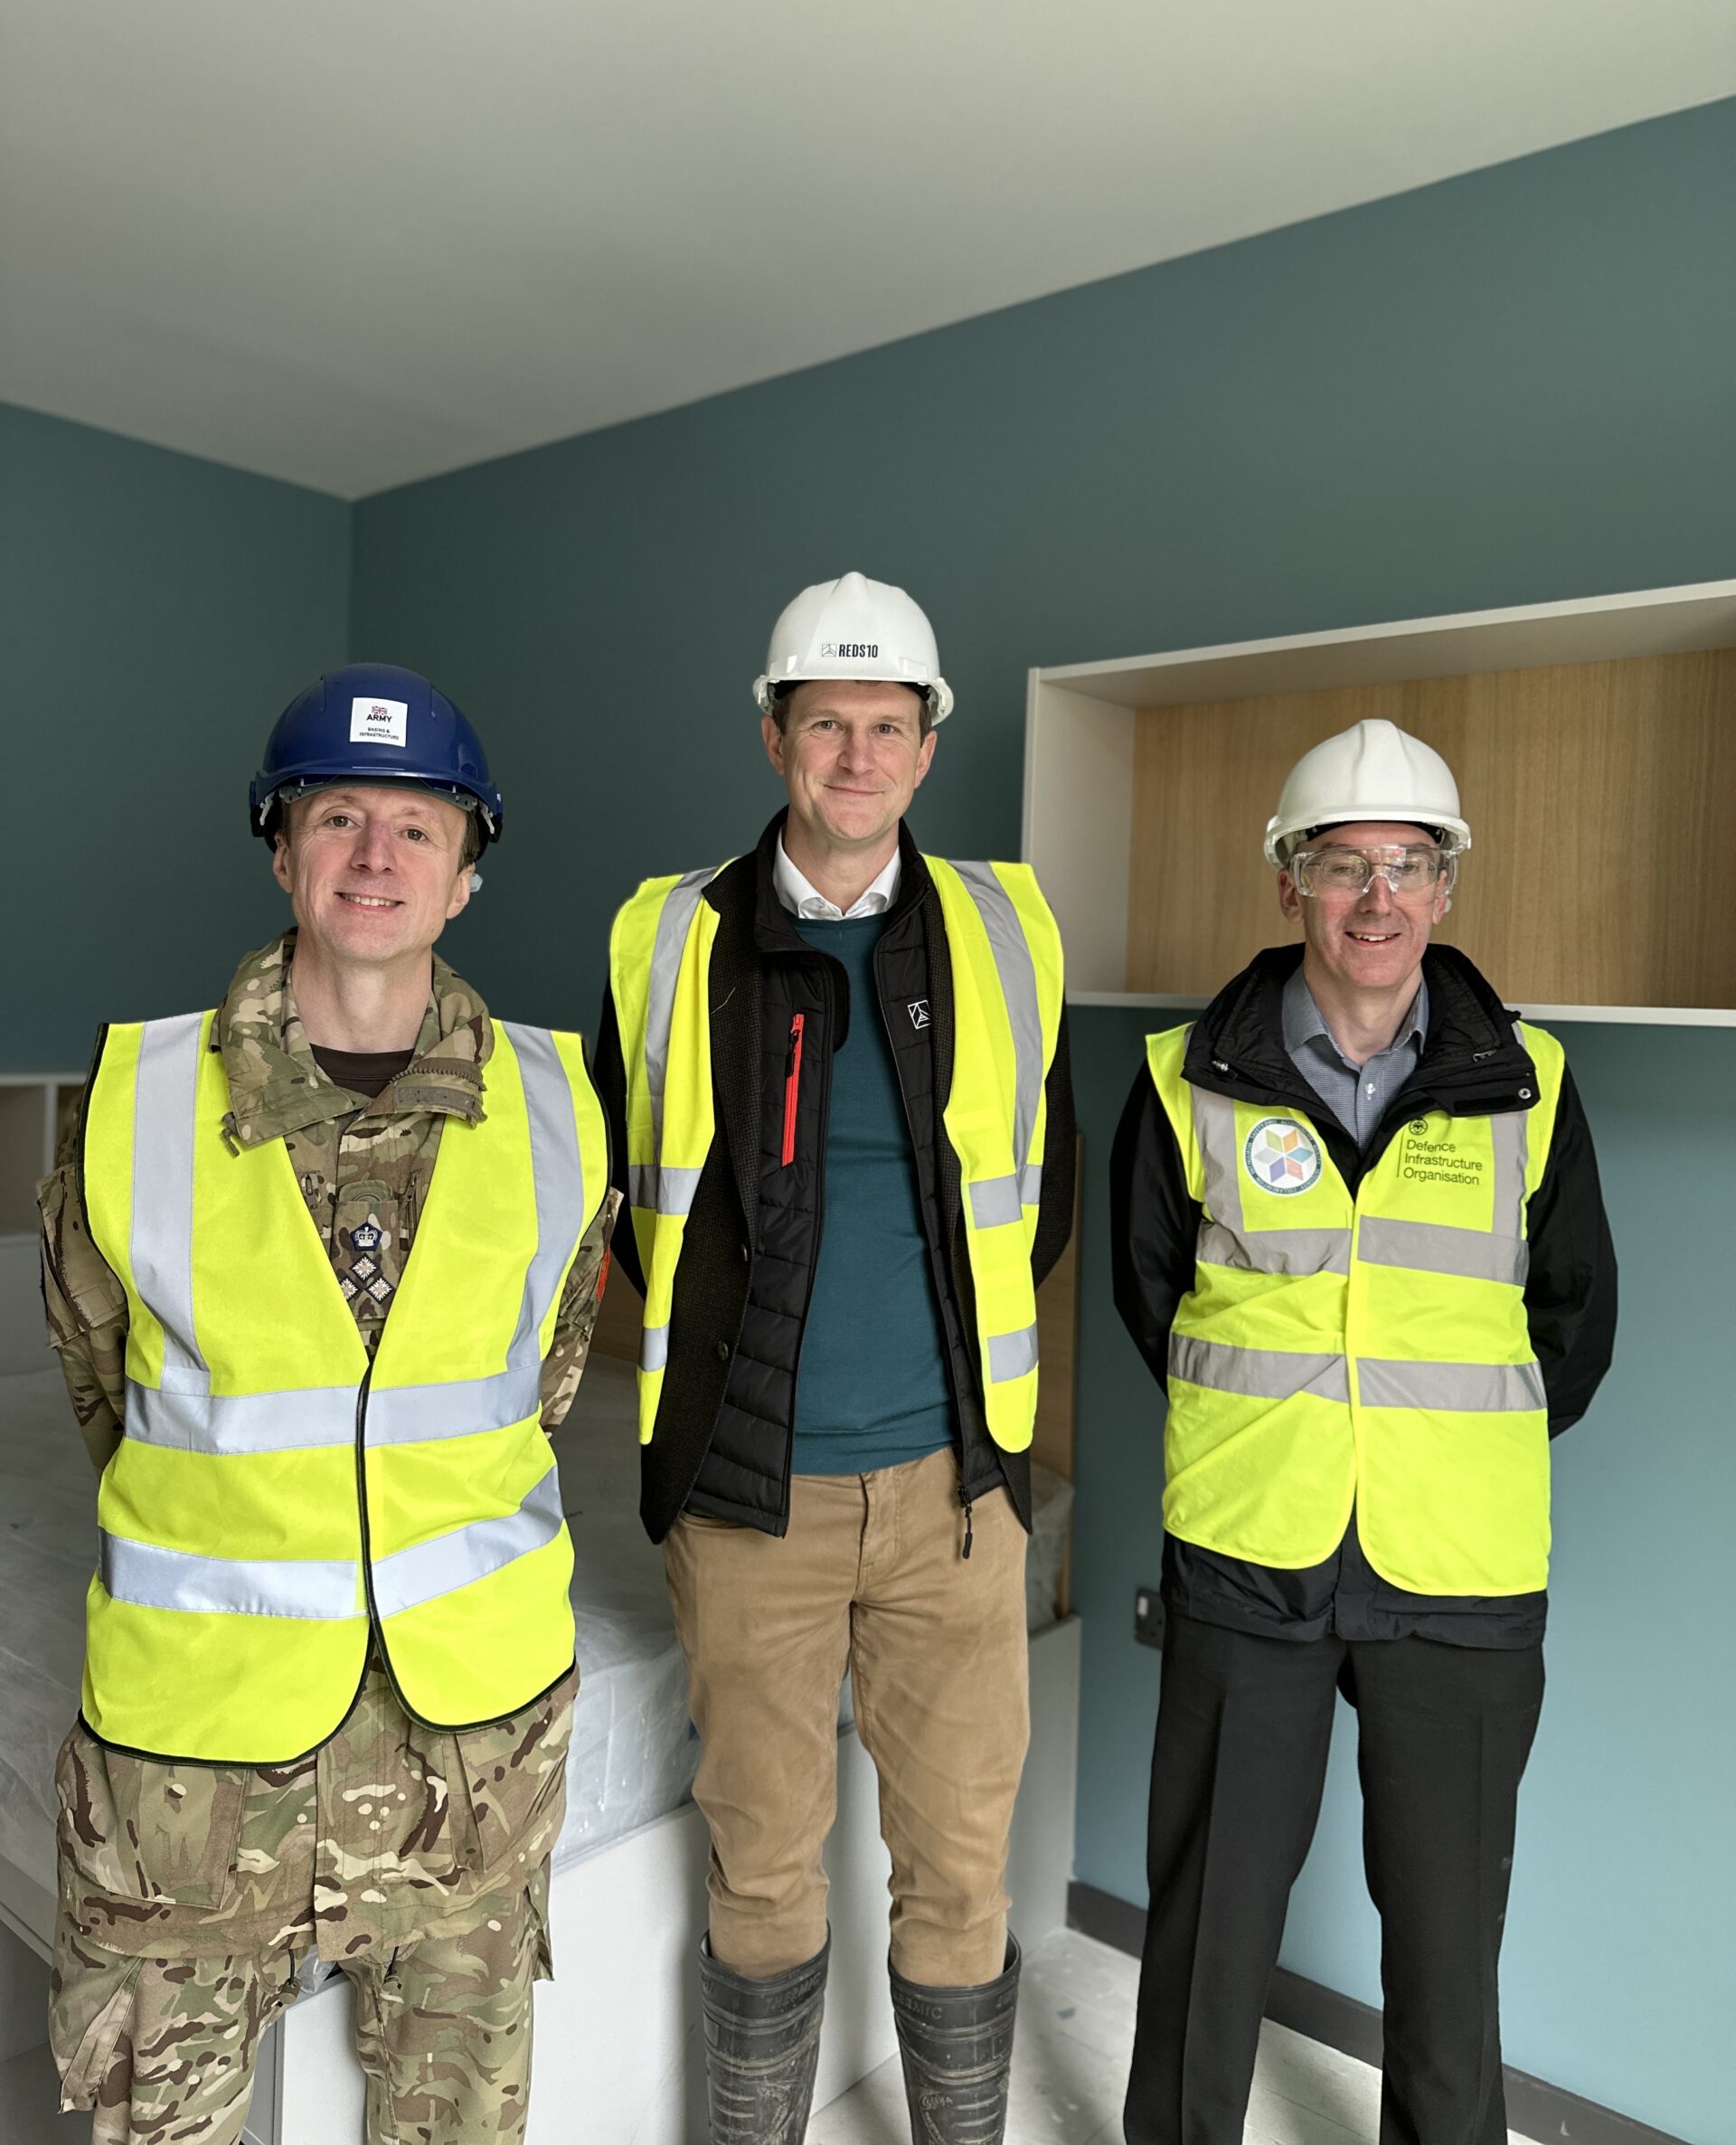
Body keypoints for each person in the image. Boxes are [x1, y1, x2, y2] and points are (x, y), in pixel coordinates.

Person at [41, 663, 617, 2145]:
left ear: (467, 871)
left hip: (473, 1761)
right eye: (338, 818)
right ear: (281, 848)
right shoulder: (131, 1099)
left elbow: (545, 1385)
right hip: (191, 1778)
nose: (375, 857)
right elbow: (107, 1388)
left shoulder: (562, 1110)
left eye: (417, 828)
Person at [593, 572, 1075, 2143]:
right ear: (773, 736)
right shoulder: (667, 934)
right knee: (764, 1870)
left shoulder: (1008, 925)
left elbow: (1038, 1194)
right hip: (752, 1509)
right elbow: (614, 1189)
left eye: (887, 727)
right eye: (825, 725)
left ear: (928, 747)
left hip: (955, 1502)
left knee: (959, 1874)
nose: (856, 757)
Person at [1112, 716, 1617, 2145]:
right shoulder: (1181, 1079)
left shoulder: (1534, 1084)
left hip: (1458, 1571)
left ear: (1447, 890)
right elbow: (1159, 1302)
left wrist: (1438, 1450)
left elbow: (1571, 1325)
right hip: (1243, 1551)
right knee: (1211, 1923)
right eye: (1345, 866)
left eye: (1409, 866)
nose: (1378, 899)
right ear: (1290, 884)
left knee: (1450, 1947)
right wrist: (1278, 1436)